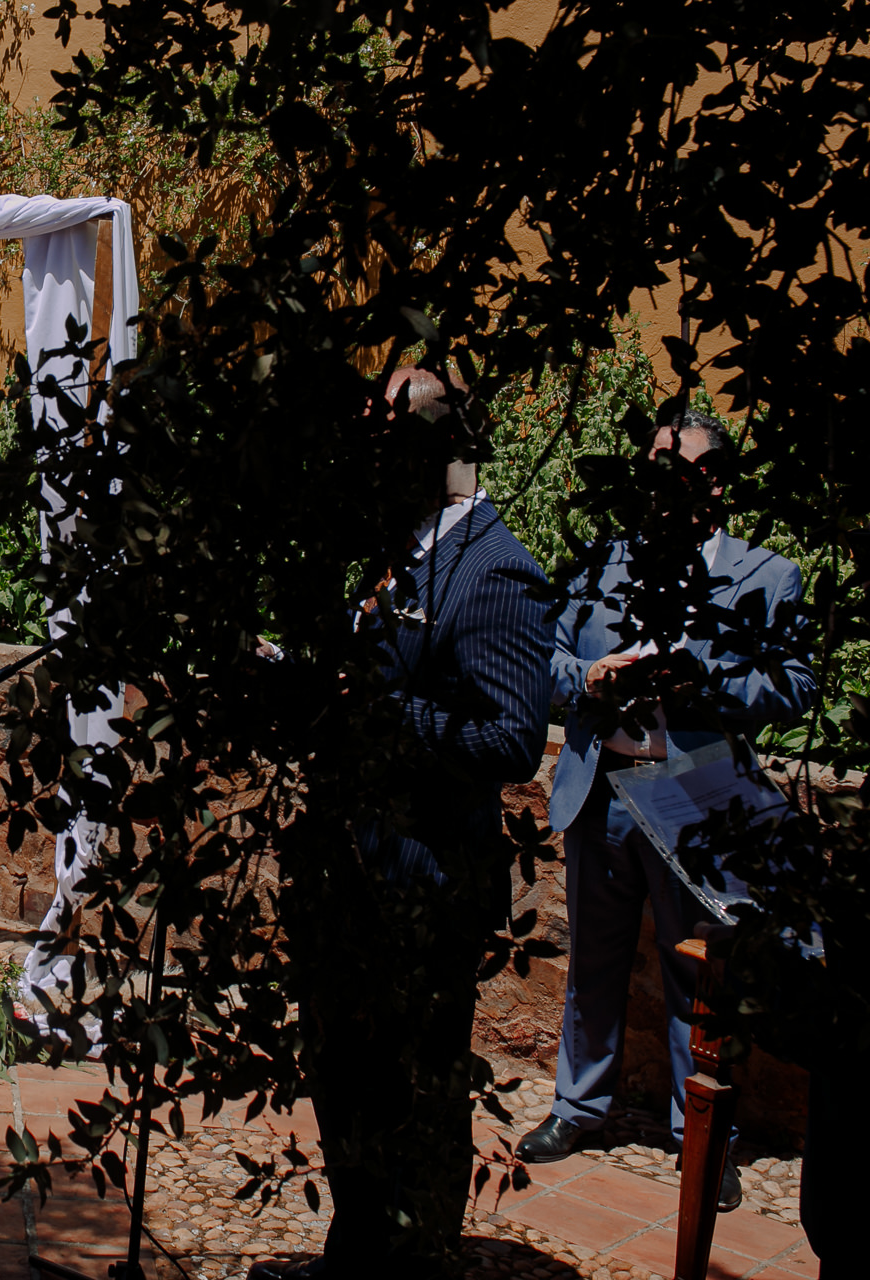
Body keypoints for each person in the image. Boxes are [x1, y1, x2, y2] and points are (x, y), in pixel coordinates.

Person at [259, 368, 554, 1279]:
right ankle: (357, 1255)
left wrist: (380, 712)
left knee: (416, 1095)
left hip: (425, 879)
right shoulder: (404, 551)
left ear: (427, 451)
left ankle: (413, 1262)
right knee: (348, 1079)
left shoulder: (497, 571)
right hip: (357, 871)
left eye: (378, 443)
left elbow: (509, 738)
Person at [515, 407, 816, 1211]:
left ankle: (703, 1139)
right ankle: (578, 1108)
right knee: (593, 965)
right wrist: (587, 678)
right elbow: (537, 657)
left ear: (714, 480)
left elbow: (796, 684)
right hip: (601, 793)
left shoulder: (766, 576)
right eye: (648, 461)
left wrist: (707, 687)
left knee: (700, 987)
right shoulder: (599, 562)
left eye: (675, 465)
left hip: (696, 804)